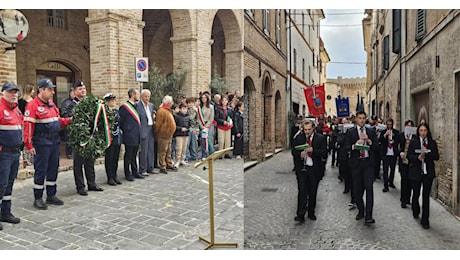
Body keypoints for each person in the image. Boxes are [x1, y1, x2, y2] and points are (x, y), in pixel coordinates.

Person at [23, 78, 71, 210]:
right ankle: (38, 198)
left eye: (53, 89)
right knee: (41, 170)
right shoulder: (32, 106)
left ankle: (51, 195)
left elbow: (58, 121)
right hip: (41, 143)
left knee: (53, 169)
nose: (53, 92)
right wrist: (29, 145)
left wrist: (69, 120)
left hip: (54, 142)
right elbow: (28, 126)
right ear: (41, 90)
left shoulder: (52, 105)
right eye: (50, 89)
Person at [344, 111, 378, 224]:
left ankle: (369, 215)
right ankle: (361, 210)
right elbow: (345, 147)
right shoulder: (351, 132)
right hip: (356, 164)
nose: (362, 120)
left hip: (368, 164)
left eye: (364, 118)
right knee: (357, 190)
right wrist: (354, 145)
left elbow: (377, 147)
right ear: (356, 120)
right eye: (360, 118)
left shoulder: (371, 131)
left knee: (369, 189)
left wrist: (369, 141)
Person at [72, 81, 104, 195]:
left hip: (90, 136)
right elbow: (68, 117)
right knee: (78, 163)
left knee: (90, 161)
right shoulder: (70, 104)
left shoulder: (90, 103)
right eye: (80, 89)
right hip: (79, 139)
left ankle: (92, 183)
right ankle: (80, 186)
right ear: (75, 91)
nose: (83, 90)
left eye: (84, 88)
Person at [292, 119, 327, 222]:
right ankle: (300, 214)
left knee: (312, 191)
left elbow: (325, 153)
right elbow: (294, 151)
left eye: (309, 129)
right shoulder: (299, 138)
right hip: (302, 168)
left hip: (314, 169)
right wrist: (299, 155)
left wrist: (314, 151)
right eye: (305, 129)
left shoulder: (320, 138)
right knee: (302, 191)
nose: (307, 132)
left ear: (313, 129)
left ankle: (311, 212)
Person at [407, 122, 439, 229]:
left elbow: (436, 156)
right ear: (418, 131)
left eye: (425, 130)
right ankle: (415, 209)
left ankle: (425, 220)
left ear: (427, 131)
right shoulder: (414, 142)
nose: (423, 133)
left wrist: (428, 154)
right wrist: (417, 158)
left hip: (427, 172)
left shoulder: (432, 142)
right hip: (416, 171)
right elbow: (409, 155)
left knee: (426, 196)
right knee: (416, 193)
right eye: (421, 130)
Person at [0, 82, 23, 227]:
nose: (14, 94)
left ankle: (5, 212)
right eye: (10, 92)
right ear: (2, 93)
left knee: (9, 184)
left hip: (15, 153)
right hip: (3, 154)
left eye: (16, 92)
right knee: (0, 185)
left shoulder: (16, 110)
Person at [119, 88, 143, 181]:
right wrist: (126, 131)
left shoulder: (136, 106)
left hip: (136, 134)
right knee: (128, 155)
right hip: (129, 135)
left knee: (134, 155)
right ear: (133, 95)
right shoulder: (124, 107)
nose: (138, 96)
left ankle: (135, 172)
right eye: (137, 94)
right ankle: (127, 173)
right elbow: (122, 121)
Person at [155, 95, 177, 174]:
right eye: (171, 102)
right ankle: (162, 166)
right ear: (168, 103)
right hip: (163, 134)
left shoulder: (167, 110)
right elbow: (158, 124)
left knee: (168, 151)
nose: (172, 103)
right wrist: (157, 133)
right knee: (162, 151)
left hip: (168, 134)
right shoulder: (161, 111)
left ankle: (169, 164)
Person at [103, 93, 122, 186]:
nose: (113, 102)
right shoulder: (104, 112)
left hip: (117, 137)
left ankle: (115, 175)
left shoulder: (116, 111)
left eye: (114, 100)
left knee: (115, 158)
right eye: (111, 100)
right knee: (109, 158)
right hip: (109, 138)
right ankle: (110, 177)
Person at [136, 89, 156, 176]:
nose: (147, 98)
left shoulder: (151, 105)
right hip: (143, 129)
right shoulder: (138, 106)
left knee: (151, 149)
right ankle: (142, 169)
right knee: (143, 151)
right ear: (141, 96)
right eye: (145, 96)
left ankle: (150, 167)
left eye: (148, 96)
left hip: (150, 129)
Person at [397, 119, 415, 208]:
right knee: (404, 180)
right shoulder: (400, 136)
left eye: (411, 126)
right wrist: (400, 152)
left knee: (411, 180)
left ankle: (408, 198)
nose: (409, 128)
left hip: (411, 162)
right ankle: (403, 200)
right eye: (408, 126)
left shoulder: (414, 137)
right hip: (403, 161)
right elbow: (396, 147)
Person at [379, 118, 400, 192]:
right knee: (385, 170)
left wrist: (394, 137)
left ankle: (391, 182)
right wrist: (385, 135)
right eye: (388, 124)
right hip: (386, 153)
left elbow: (399, 141)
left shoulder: (396, 132)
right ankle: (385, 186)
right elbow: (380, 140)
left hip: (393, 152)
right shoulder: (383, 132)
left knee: (392, 169)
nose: (389, 126)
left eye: (390, 124)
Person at [198, 93, 215, 160]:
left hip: (209, 125)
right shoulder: (199, 107)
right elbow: (198, 118)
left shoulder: (211, 107)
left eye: (205, 98)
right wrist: (202, 126)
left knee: (209, 138)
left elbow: (212, 117)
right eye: (202, 98)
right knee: (203, 140)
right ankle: (204, 154)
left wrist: (207, 125)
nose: (203, 99)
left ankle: (211, 153)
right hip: (202, 124)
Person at [60, 88, 75, 159]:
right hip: (68, 123)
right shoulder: (66, 102)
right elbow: (63, 113)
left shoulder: (76, 102)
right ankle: (69, 153)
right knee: (69, 139)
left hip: (75, 124)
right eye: (73, 93)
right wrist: (70, 118)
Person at [174, 103, 190, 168]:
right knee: (179, 148)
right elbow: (174, 126)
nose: (184, 110)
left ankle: (182, 159)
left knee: (184, 147)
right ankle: (177, 160)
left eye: (185, 109)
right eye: (183, 109)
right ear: (180, 109)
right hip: (179, 134)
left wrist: (188, 129)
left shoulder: (188, 116)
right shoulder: (177, 116)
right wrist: (180, 129)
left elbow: (189, 124)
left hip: (186, 134)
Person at [185, 97, 199, 162]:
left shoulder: (195, 111)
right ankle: (186, 156)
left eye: (192, 103)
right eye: (189, 103)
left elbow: (197, 120)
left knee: (194, 143)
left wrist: (197, 128)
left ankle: (194, 155)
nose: (191, 104)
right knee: (187, 143)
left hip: (194, 128)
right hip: (187, 128)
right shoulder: (185, 110)